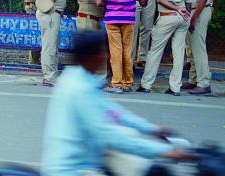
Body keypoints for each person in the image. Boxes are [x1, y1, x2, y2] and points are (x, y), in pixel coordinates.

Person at [41, 30, 190, 176]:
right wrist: (165, 152)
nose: (106, 56)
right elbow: (109, 137)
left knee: (127, 137)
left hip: (86, 160)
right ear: (91, 57)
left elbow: (116, 114)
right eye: (102, 52)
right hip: (72, 169)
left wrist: (152, 130)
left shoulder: (78, 78)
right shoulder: (80, 89)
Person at [137, 0, 194, 96]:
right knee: (179, 51)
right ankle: (175, 87)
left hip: (166, 16)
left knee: (155, 51)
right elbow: (189, 3)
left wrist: (175, 8)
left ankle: (146, 84)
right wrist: (184, 13)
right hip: (183, 18)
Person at [96, 0, 146, 93]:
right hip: (129, 19)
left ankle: (117, 83)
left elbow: (99, 2)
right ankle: (128, 82)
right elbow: (142, 1)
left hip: (111, 19)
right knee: (127, 51)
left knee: (115, 51)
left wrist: (112, 0)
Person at [35, 0, 69, 87]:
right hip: (50, 13)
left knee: (51, 45)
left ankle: (51, 75)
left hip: (50, 13)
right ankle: (49, 76)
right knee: (50, 46)